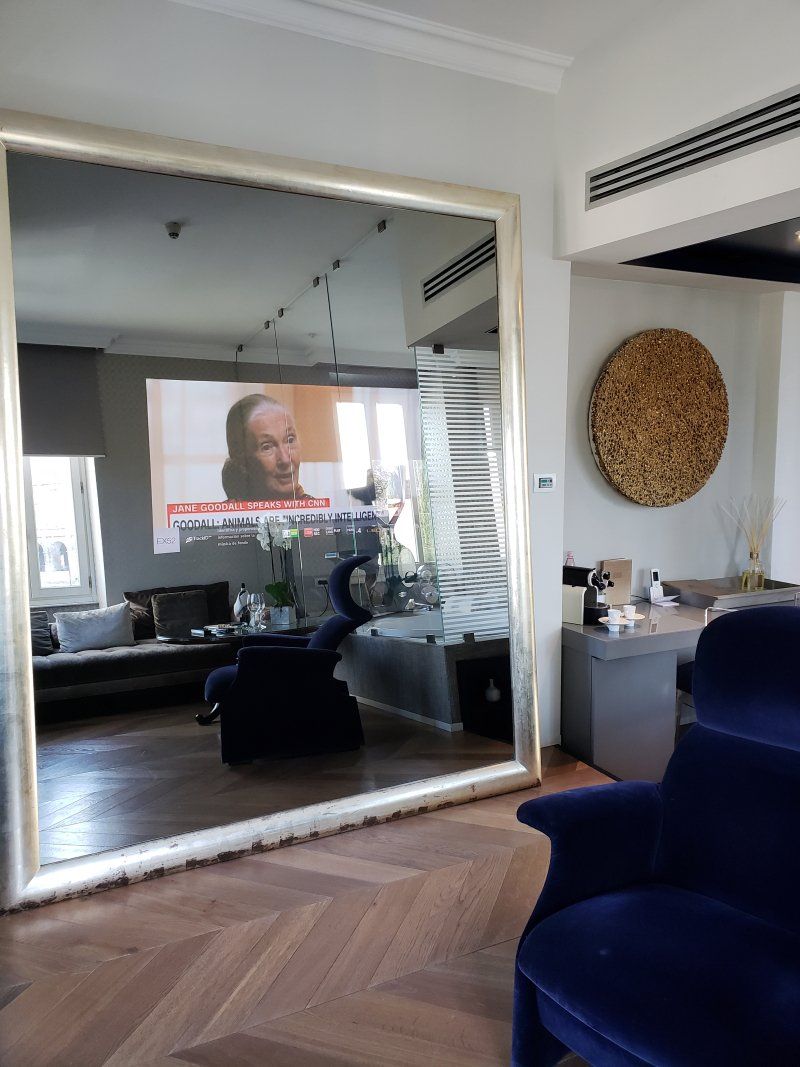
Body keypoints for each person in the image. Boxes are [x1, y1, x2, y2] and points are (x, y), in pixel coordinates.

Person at [222, 393, 311, 501]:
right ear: (241, 458)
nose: (285, 460)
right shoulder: (225, 516)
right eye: (267, 447)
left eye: (290, 440)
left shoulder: (318, 511)